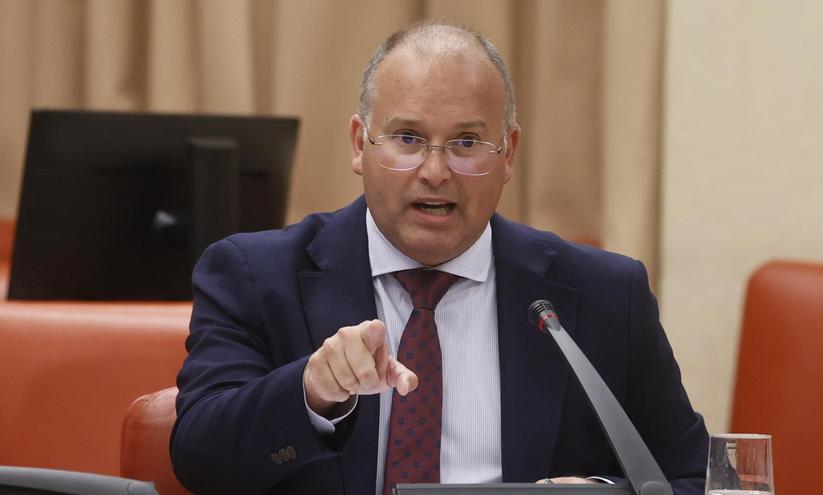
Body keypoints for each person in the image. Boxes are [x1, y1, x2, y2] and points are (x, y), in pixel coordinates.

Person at [171, 20, 708, 495]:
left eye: (467, 142)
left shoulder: (605, 295)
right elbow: (200, 461)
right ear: (361, 144)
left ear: (509, 155)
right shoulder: (254, 275)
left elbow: (691, 477)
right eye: (408, 138)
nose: (435, 171)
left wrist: (596, 494)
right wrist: (311, 393)